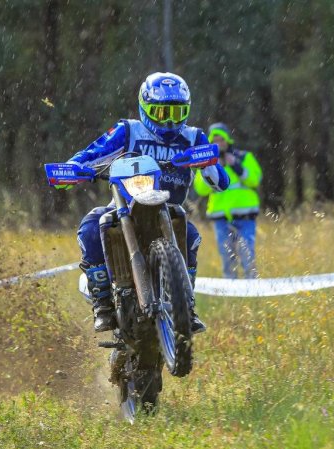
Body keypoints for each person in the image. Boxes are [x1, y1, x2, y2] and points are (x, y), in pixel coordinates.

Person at [63, 72, 230, 333]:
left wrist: (207, 165)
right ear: (145, 108)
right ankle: (102, 303)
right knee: (92, 226)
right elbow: (93, 153)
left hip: (169, 210)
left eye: (176, 113)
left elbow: (221, 182)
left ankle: (186, 306)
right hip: (125, 207)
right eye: (162, 113)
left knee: (192, 235)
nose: (170, 121)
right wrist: (73, 168)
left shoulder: (194, 137)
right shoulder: (128, 130)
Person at [194, 123, 262, 279]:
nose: (218, 143)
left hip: (245, 217)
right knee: (226, 257)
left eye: (221, 140)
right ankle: (231, 295)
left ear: (228, 140)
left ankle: (252, 290)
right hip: (221, 220)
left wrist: (236, 165)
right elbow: (200, 189)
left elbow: (255, 180)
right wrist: (212, 170)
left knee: (247, 255)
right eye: (215, 140)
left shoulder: (244, 157)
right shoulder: (207, 163)